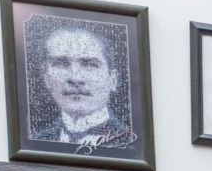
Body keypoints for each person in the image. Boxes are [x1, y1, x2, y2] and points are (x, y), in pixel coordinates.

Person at [36, 21, 137, 154]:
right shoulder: (37, 141)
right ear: (46, 78)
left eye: (90, 65)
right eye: (61, 64)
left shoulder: (131, 144)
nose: (75, 78)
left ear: (112, 80)